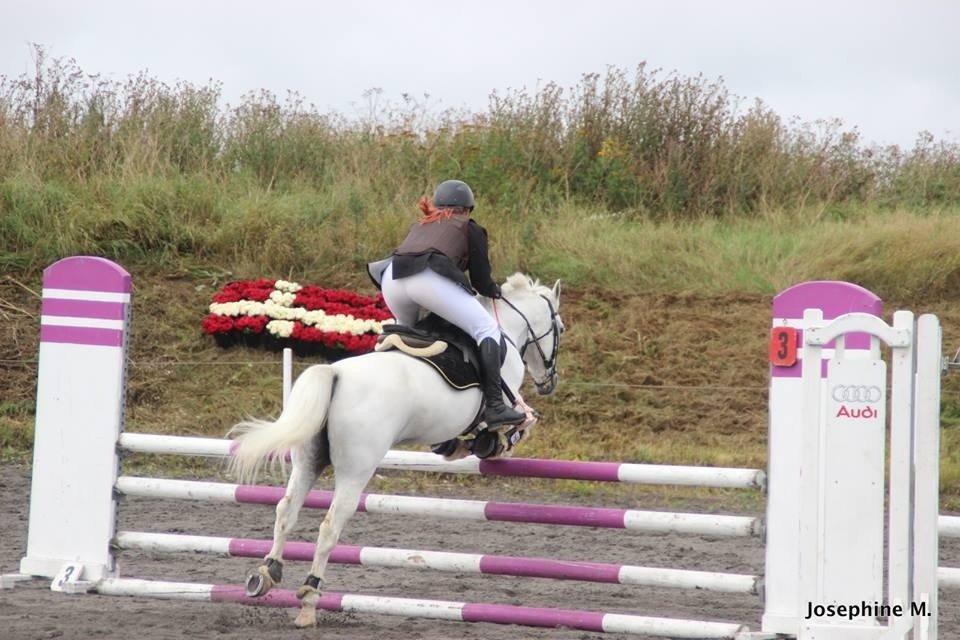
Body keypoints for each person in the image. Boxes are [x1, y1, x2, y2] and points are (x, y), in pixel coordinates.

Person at [367, 179, 525, 428]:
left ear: (438, 205)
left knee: (406, 332)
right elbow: (482, 280)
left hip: (392, 278)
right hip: (427, 278)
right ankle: (495, 405)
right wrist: (494, 290)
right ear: (468, 209)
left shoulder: (420, 225)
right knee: (487, 330)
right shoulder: (470, 228)